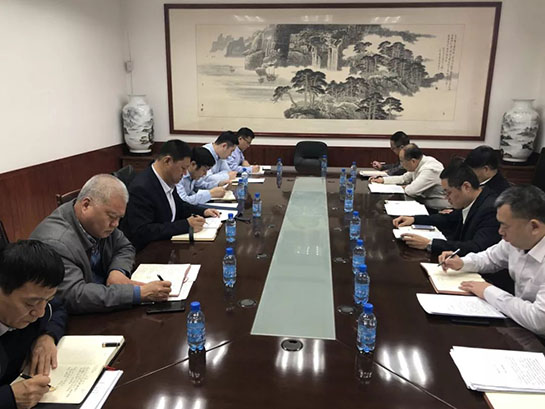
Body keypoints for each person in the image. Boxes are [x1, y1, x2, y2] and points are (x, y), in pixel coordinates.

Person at [31, 174, 171, 313]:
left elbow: (125, 247)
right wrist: (138, 293)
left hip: (103, 301)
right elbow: (75, 296)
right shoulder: (56, 243)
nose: (115, 224)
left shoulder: (98, 224)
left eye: (119, 218)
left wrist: (117, 271)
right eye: (112, 217)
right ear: (86, 205)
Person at [439, 185, 545, 336]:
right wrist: (462, 262)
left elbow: (539, 320)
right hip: (520, 326)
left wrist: (488, 291)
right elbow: (490, 258)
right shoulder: (517, 240)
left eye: (505, 226)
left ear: (534, 227)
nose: (500, 232)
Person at [0, 240, 67, 409]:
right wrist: (9, 398)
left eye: (47, 300)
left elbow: (57, 309)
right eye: (30, 304)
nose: (40, 313)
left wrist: (47, 336)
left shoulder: (36, 307)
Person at [121, 140, 219, 251]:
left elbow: (179, 206)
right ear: (167, 161)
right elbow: (143, 231)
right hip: (148, 252)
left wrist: (203, 211)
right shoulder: (142, 188)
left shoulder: (167, 180)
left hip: (167, 246)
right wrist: (185, 225)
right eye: (183, 168)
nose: (185, 173)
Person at [393, 161, 500, 255]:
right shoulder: (472, 200)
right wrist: (414, 219)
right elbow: (448, 219)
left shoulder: (490, 209)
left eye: (448, 192)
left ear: (466, 187)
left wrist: (430, 244)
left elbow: (476, 248)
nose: (446, 198)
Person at [370, 144, 449, 210]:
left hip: (438, 208)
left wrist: (406, 187)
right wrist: (383, 180)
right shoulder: (418, 163)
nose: (401, 165)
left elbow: (411, 191)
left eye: (402, 161)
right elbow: (403, 178)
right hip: (424, 202)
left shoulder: (430, 169)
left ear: (413, 161)